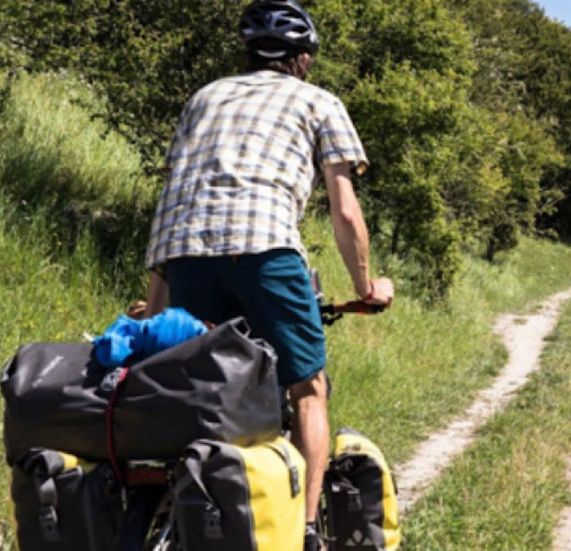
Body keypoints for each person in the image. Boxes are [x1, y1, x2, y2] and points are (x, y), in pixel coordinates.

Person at [141, 1, 393, 549]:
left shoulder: (203, 98)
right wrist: (367, 289)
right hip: (267, 251)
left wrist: (155, 305)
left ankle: (189, 504)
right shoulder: (319, 101)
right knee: (308, 387)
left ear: (249, 53)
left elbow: (175, 201)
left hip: (184, 253)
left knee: (203, 384)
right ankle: (302, 529)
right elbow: (344, 209)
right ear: (303, 59)